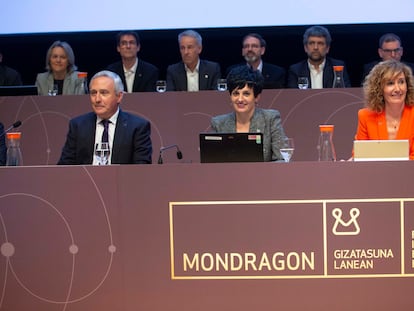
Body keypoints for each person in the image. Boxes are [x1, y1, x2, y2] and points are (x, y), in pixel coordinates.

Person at [58, 70, 152, 165]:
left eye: (104, 93)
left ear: (119, 96)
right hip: (84, 179)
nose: (97, 99)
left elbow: (141, 168)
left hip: (122, 179)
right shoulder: (78, 125)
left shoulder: (137, 127)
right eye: (94, 93)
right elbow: (65, 166)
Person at [210, 65, 287, 162]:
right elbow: (212, 163)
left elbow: (282, 159)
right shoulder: (218, 124)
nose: (240, 99)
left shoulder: (270, 119)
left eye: (246, 94)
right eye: (236, 93)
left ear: (257, 97)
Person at [354, 60, 414, 160]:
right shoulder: (365, 116)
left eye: (401, 82)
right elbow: (360, 156)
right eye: (390, 83)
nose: (398, 89)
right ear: (379, 88)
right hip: (375, 173)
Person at [287, 25, 351, 89]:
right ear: (305, 48)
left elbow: (344, 94)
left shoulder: (338, 67)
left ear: (327, 48)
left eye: (320, 43)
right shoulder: (295, 70)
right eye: (311, 43)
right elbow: (293, 96)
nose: (315, 48)